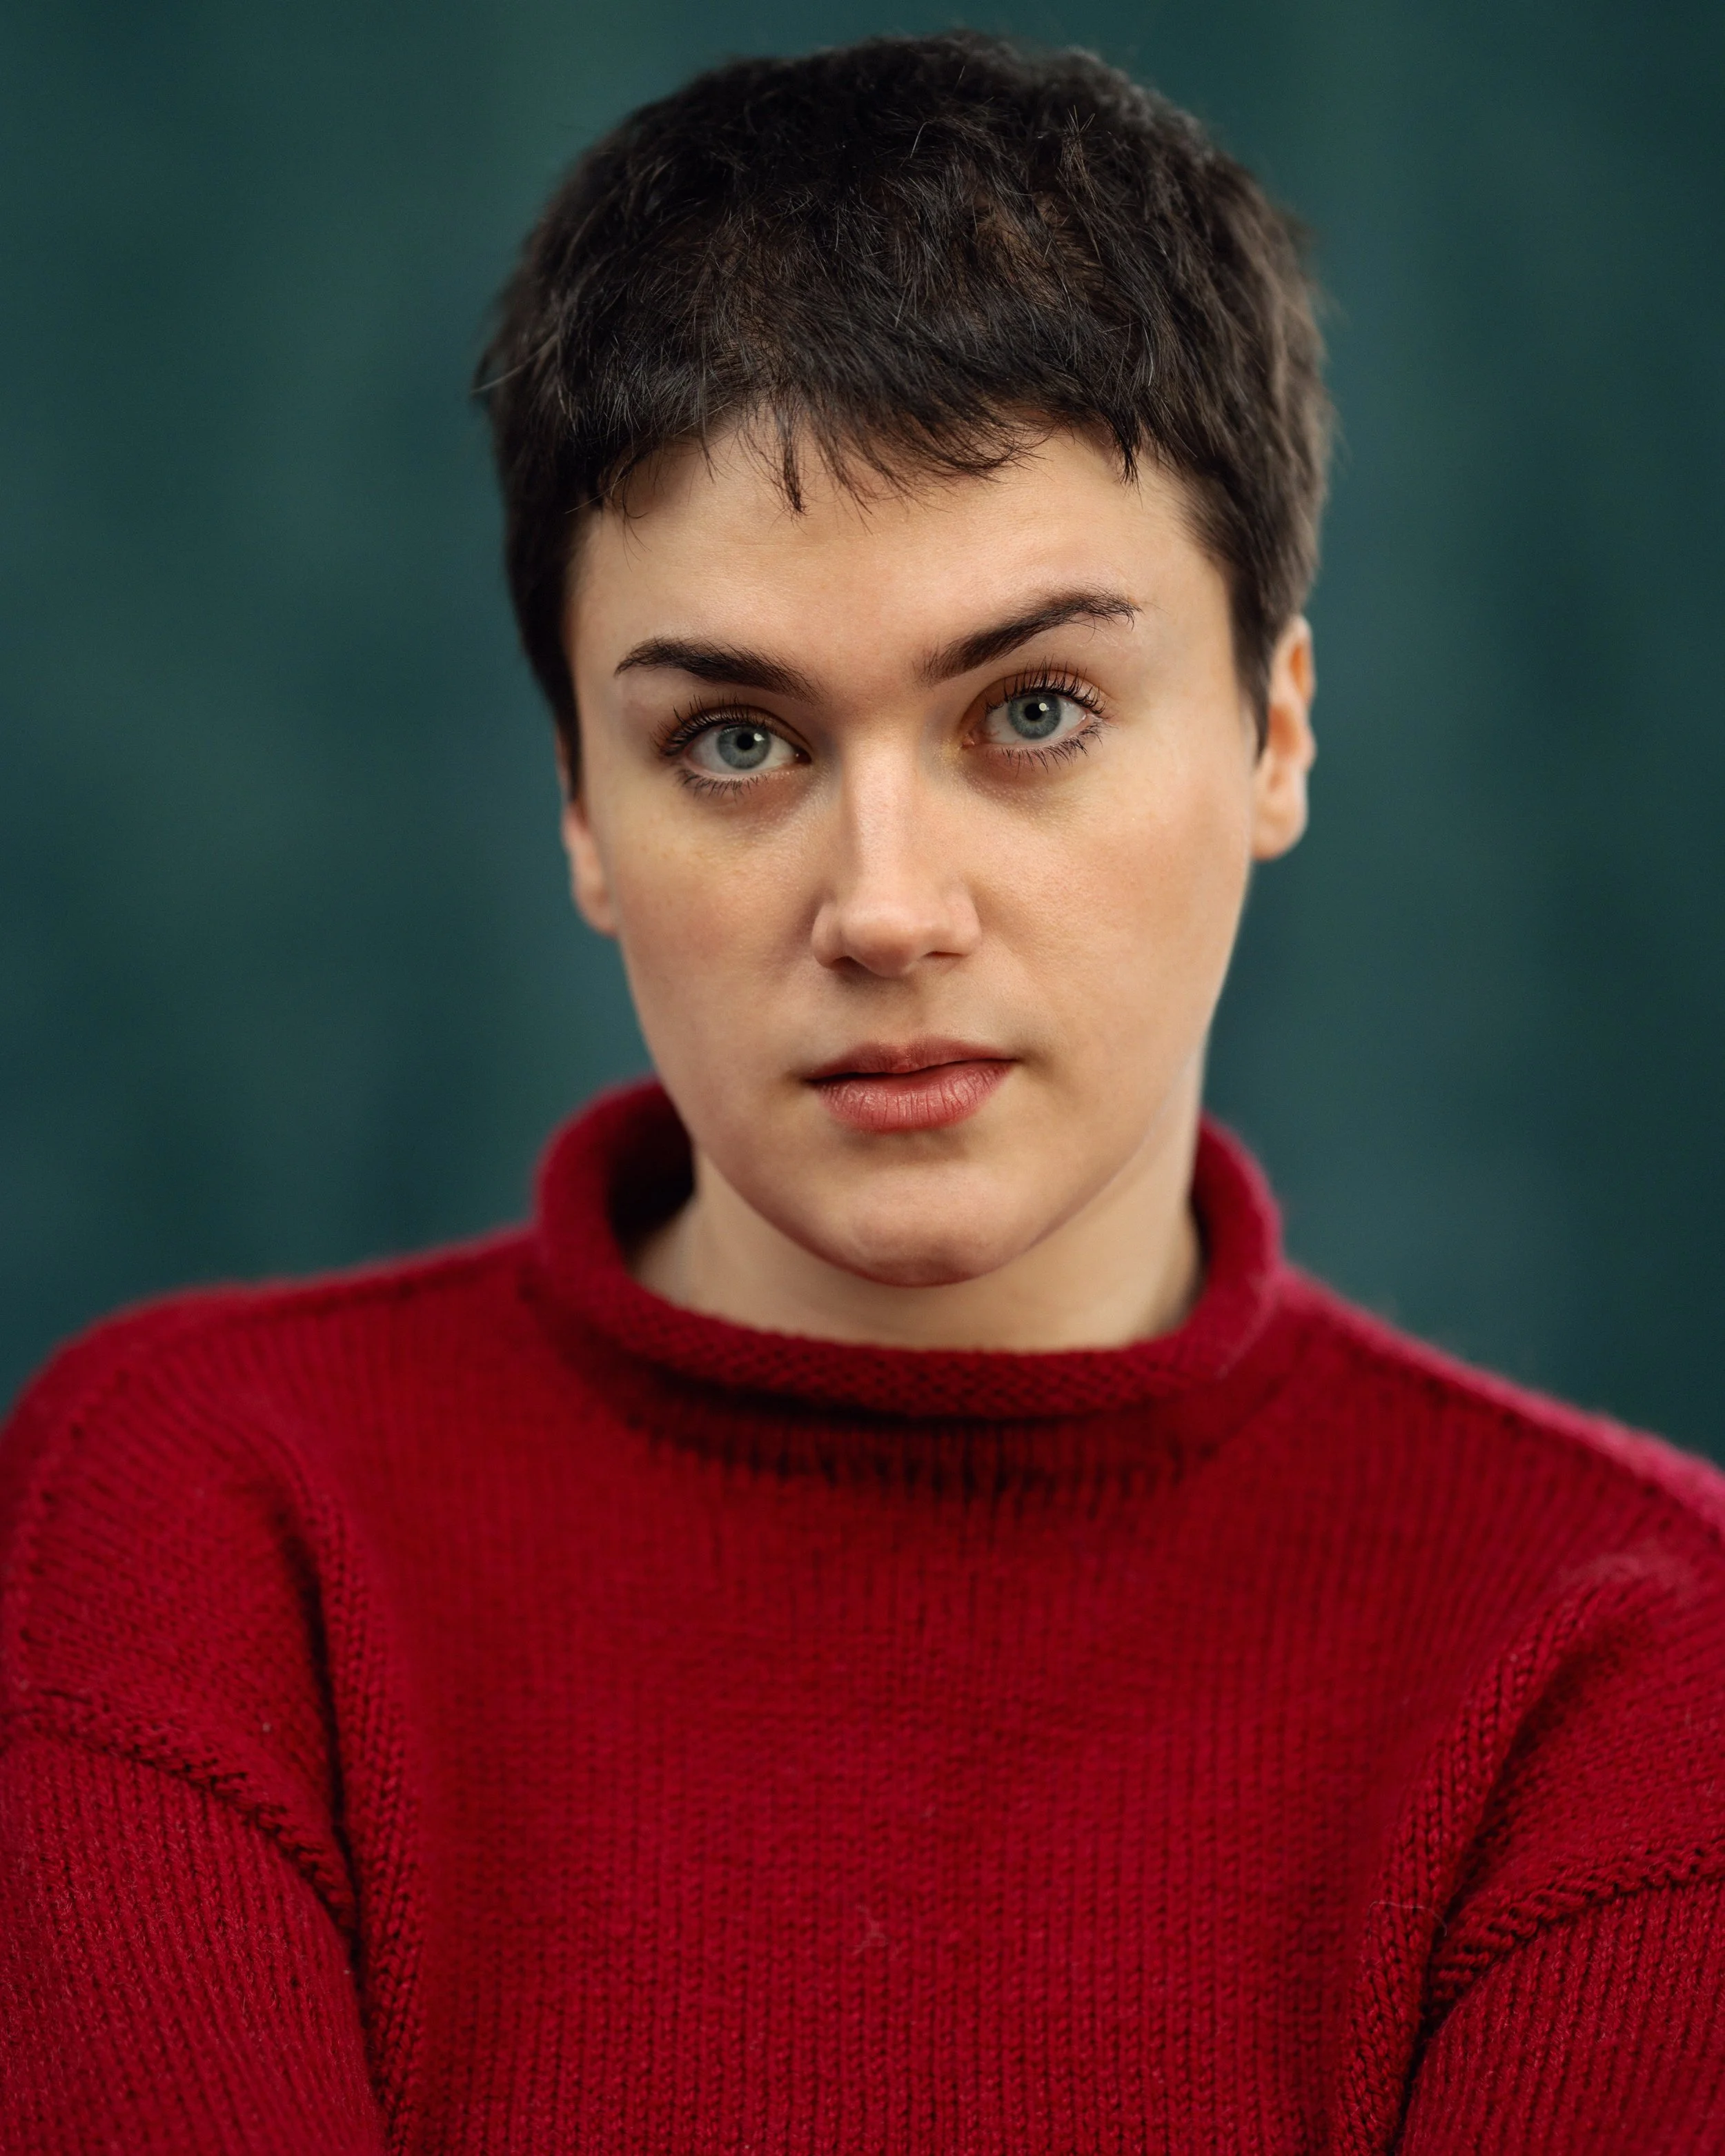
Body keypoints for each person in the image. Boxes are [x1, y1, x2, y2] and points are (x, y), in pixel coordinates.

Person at [2, 32, 1721, 2153]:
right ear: (576, 804)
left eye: (1034, 708)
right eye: (736, 739)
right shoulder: (202, 1522)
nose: (884, 908)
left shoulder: (1627, 1659)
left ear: (1276, 728)